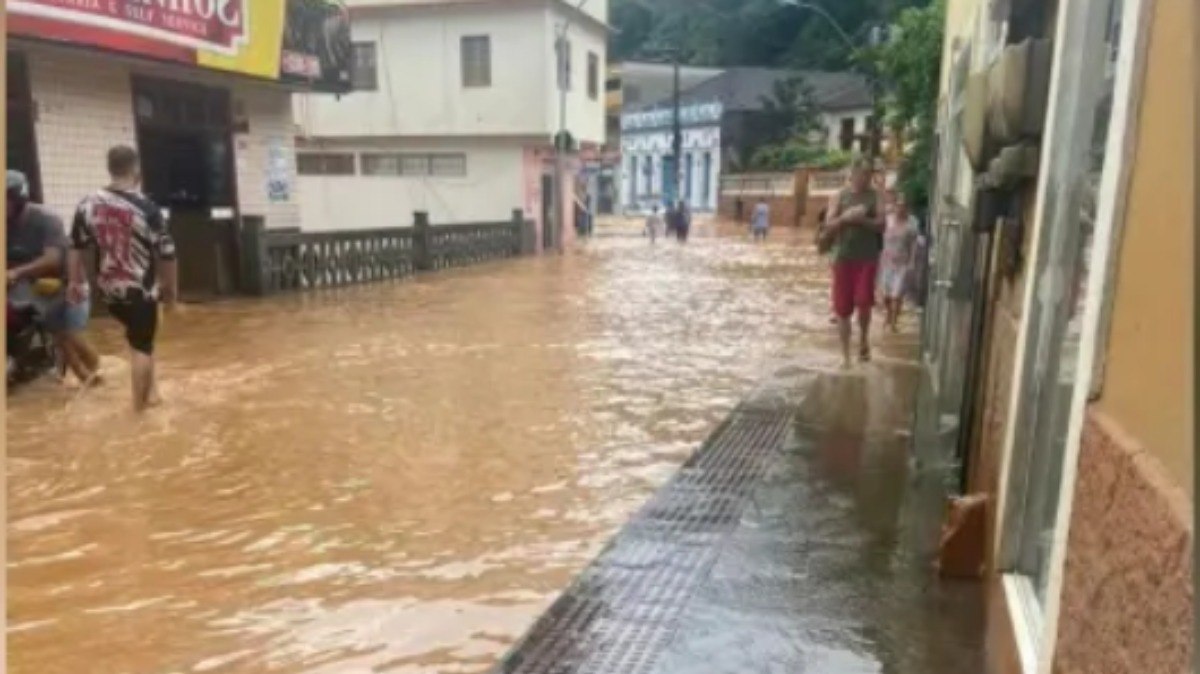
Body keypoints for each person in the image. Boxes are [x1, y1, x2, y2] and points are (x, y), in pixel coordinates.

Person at [68, 145, 178, 412]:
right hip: (140, 289)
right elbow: (167, 253)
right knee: (142, 345)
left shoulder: (88, 204)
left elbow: (76, 245)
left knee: (141, 339)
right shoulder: (148, 209)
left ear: (110, 168)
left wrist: (75, 281)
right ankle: (138, 411)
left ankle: (153, 394)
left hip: (108, 290)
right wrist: (170, 291)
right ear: (135, 169)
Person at [6, 170, 101, 386]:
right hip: (34, 288)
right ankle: (89, 381)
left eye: (5, 199)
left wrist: (15, 273)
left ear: (18, 198)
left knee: (69, 334)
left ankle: (97, 372)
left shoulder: (47, 220)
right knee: (59, 334)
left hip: (69, 283)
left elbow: (53, 260)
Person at [821, 158, 884, 367]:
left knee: (864, 302)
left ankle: (864, 338)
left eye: (868, 175)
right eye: (861, 174)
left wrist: (863, 220)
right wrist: (846, 218)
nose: (865, 179)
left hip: (867, 257)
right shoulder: (839, 196)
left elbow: (881, 226)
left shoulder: (876, 196)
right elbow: (828, 226)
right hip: (842, 257)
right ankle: (846, 355)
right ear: (852, 175)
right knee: (842, 308)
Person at [879, 194, 920, 332]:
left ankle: (893, 323)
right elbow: (879, 237)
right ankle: (889, 314)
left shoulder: (911, 224)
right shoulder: (887, 220)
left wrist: (912, 262)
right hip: (886, 263)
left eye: (903, 206)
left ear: (907, 208)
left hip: (902, 264)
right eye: (898, 206)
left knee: (897, 295)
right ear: (895, 207)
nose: (900, 209)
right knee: (886, 296)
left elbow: (914, 244)